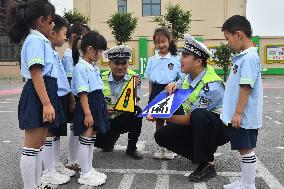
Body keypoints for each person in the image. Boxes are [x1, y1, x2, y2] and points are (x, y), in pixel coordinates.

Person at [148, 34, 229, 182]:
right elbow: (174, 87)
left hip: (219, 130)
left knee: (198, 115)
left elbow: (190, 119)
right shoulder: (188, 77)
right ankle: (199, 154)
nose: (180, 59)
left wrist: (161, 115)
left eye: (185, 56)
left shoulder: (212, 85)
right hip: (198, 125)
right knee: (161, 135)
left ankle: (208, 164)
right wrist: (170, 86)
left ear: (198, 61)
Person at [6, 0, 65, 188]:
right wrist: (47, 104)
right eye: (51, 21)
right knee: (31, 146)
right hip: (39, 94)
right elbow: (36, 72)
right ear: (41, 21)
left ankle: (37, 183)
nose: (53, 25)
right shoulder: (35, 41)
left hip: (45, 92)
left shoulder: (41, 41)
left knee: (39, 143)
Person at [221, 15, 263, 189]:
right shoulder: (242, 57)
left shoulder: (249, 58)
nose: (228, 43)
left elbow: (246, 87)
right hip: (239, 115)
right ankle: (245, 181)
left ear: (238, 34)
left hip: (243, 116)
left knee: (246, 149)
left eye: (228, 38)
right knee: (243, 149)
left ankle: (248, 184)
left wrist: (238, 113)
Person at [40, 14, 76, 186]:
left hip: (60, 96)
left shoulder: (54, 52)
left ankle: (54, 165)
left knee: (55, 133)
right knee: (49, 133)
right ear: (53, 33)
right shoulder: (46, 50)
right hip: (52, 96)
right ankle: (48, 171)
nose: (65, 37)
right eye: (64, 33)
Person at [71, 31, 109, 186]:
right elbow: (83, 93)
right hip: (88, 104)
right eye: (100, 51)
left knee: (91, 137)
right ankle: (84, 173)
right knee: (86, 138)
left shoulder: (91, 66)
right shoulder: (81, 67)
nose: (100, 55)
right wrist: (87, 113)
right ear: (90, 49)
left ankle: (89, 168)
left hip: (96, 101)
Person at [95, 45, 143, 160]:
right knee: (103, 146)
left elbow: (136, 101)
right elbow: (94, 101)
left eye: (124, 63)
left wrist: (135, 87)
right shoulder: (100, 78)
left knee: (137, 111)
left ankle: (131, 149)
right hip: (105, 119)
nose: (120, 67)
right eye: (116, 63)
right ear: (109, 63)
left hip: (123, 118)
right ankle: (110, 139)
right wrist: (103, 109)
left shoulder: (135, 78)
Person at [144, 28, 182, 159]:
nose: (161, 45)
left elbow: (180, 78)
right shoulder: (152, 60)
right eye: (158, 42)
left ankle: (171, 148)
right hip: (157, 90)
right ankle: (161, 148)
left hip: (171, 90)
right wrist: (151, 97)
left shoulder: (176, 59)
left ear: (169, 41)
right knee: (159, 120)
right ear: (155, 44)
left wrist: (177, 89)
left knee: (172, 120)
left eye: (164, 41)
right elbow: (150, 80)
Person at [62, 23, 91, 171]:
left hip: (81, 97)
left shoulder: (78, 55)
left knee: (77, 128)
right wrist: (72, 101)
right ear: (74, 37)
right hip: (75, 97)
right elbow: (69, 81)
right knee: (74, 129)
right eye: (85, 38)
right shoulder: (68, 56)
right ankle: (72, 159)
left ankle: (76, 158)